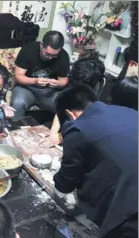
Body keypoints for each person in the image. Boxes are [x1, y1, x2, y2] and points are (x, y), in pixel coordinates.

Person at [53, 85, 138, 238]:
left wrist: (58, 177)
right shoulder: (129, 111)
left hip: (131, 211)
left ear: (69, 114)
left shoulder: (78, 128)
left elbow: (65, 184)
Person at [10, 30, 70, 119]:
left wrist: (57, 83)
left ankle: (55, 132)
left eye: (54, 55)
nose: (50, 58)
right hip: (26, 88)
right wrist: (35, 81)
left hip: (49, 92)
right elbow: (18, 76)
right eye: (47, 54)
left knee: (65, 106)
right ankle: (15, 130)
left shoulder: (63, 55)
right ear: (41, 45)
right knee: (18, 102)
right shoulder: (28, 49)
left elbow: (64, 80)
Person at [48, 57, 106, 145]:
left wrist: (61, 137)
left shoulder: (108, 97)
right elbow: (63, 107)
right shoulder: (75, 81)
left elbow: (92, 128)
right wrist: (53, 133)